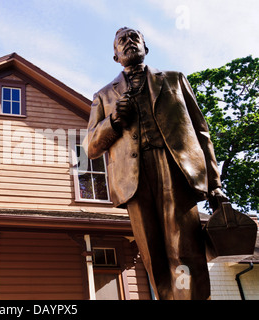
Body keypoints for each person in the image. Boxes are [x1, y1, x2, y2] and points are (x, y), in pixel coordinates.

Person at [85, 27, 228, 300]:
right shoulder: (104, 96)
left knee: (184, 249)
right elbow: (91, 146)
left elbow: (201, 132)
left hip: (176, 169)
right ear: (115, 56)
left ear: (145, 48)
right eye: (121, 41)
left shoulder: (174, 79)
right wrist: (113, 121)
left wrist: (215, 185)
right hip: (134, 180)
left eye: (134, 38)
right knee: (154, 256)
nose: (129, 42)